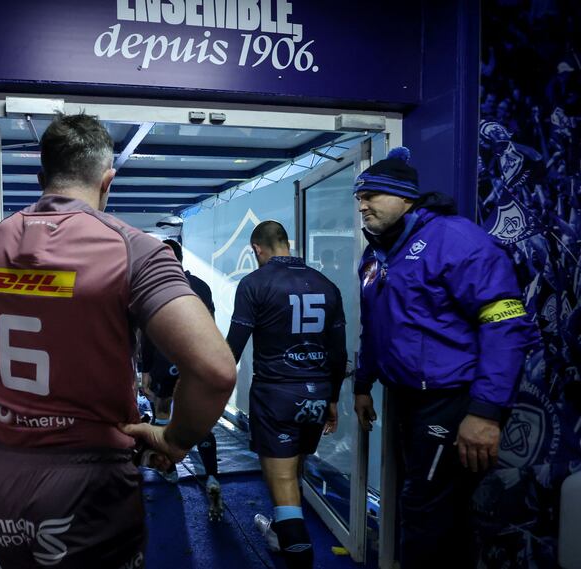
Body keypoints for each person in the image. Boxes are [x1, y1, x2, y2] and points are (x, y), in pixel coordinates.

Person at [0, 113, 236, 569]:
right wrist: (176, 437)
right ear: (107, 181)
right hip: (91, 479)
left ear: (41, 178)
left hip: (1, 474)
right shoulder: (133, 250)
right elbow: (215, 370)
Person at [351, 147, 538, 569]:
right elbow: (375, 328)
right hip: (406, 398)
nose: (362, 204)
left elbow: (505, 324)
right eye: (359, 198)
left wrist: (486, 413)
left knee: (425, 509)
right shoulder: (377, 255)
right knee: (428, 504)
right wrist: (363, 384)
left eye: (373, 195)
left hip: (452, 400)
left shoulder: (455, 239)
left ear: (406, 199)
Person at [226, 221, 346, 569]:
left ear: (257, 249)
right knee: (293, 470)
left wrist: (208, 388)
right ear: (286, 244)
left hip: (276, 395)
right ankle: (281, 531)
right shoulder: (327, 285)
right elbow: (338, 353)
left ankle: (296, 551)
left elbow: (232, 348)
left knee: (281, 480)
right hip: (318, 394)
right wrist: (333, 399)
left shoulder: (254, 283)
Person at [141, 239, 223, 521]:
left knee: (162, 418)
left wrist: (145, 370)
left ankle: (170, 471)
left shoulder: (153, 286)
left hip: (165, 362)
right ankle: (211, 476)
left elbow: (148, 333)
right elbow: (211, 325)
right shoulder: (201, 286)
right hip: (196, 363)